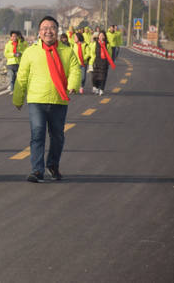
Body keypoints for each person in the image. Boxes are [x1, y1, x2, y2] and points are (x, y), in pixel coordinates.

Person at [13, 16, 80, 183]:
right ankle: (37, 170)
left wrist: (73, 84)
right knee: (37, 134)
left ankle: (53, 164)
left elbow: (75, 69)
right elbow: (22, 76)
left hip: (59, 100)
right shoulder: (30, 52)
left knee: (57, 136)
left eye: (52, 28)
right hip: (36, 100)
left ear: (57, 31)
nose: (48, 31)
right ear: (39, 32)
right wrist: (18, 98)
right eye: (44, 28)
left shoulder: (67, 51)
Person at [90, 31, 116, 96]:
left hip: (104, 63)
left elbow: (109, 54)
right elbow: (92, 53)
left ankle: (101, 89)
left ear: (104, 37)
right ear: (98, 36)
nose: (101, 37)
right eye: (100, 35)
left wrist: (108, 62)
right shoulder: (95, 44)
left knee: (103, 78)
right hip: (96, 63)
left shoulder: (107, 45)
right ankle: (96, 88)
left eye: (102, 35)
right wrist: (92, 61)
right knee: (94, 77)